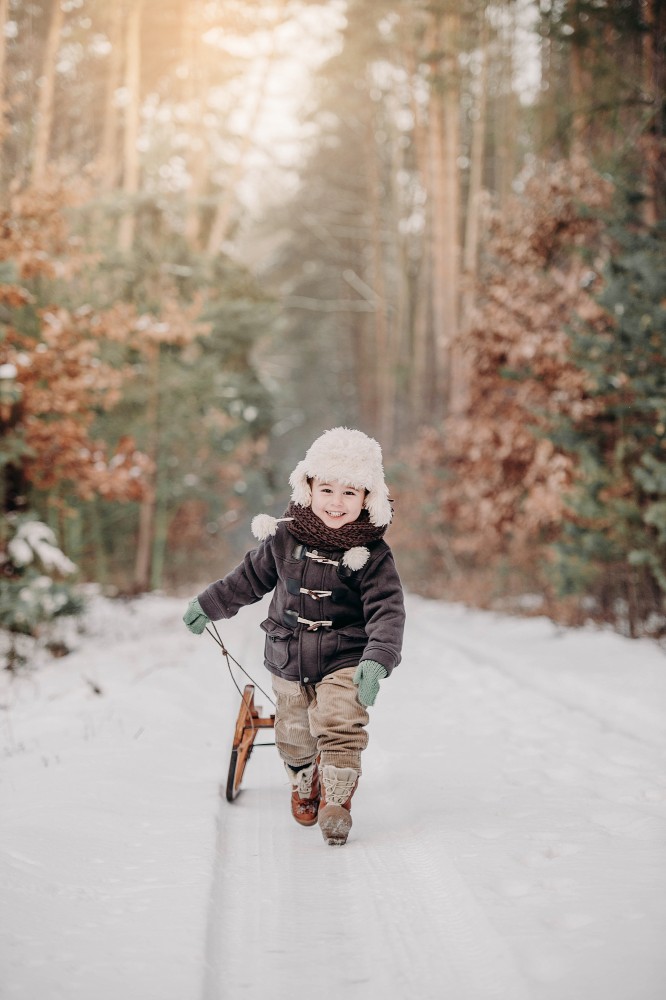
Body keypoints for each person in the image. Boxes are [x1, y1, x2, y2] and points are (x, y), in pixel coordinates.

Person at [183, 427, 405, 846]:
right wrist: (208, 605)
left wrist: (378, 657)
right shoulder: (285, 537)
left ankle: (337, 801)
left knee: (340, 721)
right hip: (289, 654)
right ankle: (304, 781)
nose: (336, 503)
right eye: (327, 490)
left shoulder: (374, 556)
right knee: (294, 732)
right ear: (307, 487)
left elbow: (387, 610)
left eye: (350, 493)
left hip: (346, 655)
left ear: (368, 499)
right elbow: (247, 579)